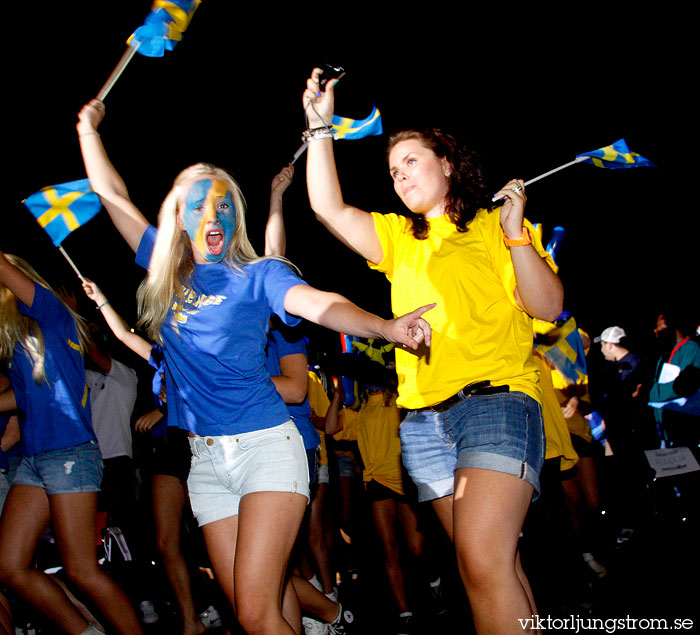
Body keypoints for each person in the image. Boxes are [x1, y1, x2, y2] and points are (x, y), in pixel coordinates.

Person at [77, 98, 432, 635]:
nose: (212, 215)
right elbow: (111, 195)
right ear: (180, 218)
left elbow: (318, 303)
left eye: (223, 206)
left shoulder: (258, 274)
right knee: (264, 606)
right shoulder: (164, 270)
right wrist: (87, 130)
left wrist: (384, 327)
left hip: (267, 449)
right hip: (205, 464)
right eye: (198, 206)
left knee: (256, 612)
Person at [302, 68, 564, 633]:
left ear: (447, 163)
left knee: (481, 561)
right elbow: (328, 208)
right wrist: (318, 129)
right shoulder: (399, 239)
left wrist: (518, 234)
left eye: (411, 163)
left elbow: (547, 307)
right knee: (496, 565)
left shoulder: (497, 226)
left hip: (496, 404)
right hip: (421, 424)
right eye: (393, 172)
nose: (399, 178)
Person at [0, 252, 142, 635]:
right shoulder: (20, 340)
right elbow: (24, 397)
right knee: (10, 567)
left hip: (70, 454)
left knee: (81, 569)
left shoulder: (51, 312)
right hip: (36, 460)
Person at [81, 278, 210, 635]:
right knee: (166, 542)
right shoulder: (161, 357)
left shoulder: (204, 350)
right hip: (168, 453)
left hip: (203, 451)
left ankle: (227, 604)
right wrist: (102, 299)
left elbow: (209, 394)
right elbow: (123, 336)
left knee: (209, 539)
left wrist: (164, 412)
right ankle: (190, 621)